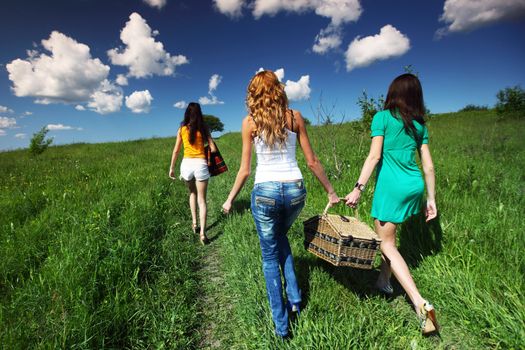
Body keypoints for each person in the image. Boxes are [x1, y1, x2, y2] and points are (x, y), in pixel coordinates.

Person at [222, 70, 340, 338]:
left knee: (269, 258)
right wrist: (331, 192)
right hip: (296, 191)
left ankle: (281, 326)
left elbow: (244, 171)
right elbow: (312, 161)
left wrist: (230, 199)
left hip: (265, 194)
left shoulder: (249, 123)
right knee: (280, 236)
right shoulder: (294, 116)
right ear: (278, 89)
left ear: (253, 93)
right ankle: (296, 298)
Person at [344, 73, 439, 335]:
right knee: (391, 238)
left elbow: (374, 156)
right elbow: (428, 166)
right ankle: (383, 281)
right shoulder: (420, 126)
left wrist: (358, 188)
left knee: (386, 243)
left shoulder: (382, 118)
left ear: (392, 93)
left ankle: (419, 304)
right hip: (414, 186)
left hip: (392, 188)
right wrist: (431, 199)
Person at [169, 102, 217, 245]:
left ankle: (194, 224)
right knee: (202, 200)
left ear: (187, 114)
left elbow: (176, 150)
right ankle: (203, 233)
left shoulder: (182, 129)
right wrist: (207, 143)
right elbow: (213, 149)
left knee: (192, 194)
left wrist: (171, 167)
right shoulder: (204, 128)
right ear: (199, 113)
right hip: (201, 164)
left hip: (187, 165)